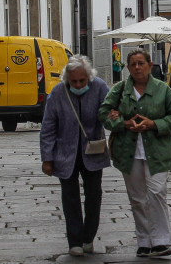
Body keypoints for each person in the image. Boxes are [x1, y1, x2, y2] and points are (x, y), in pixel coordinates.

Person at [98, 49, 171, 258]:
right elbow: (103, 113)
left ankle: (162, 241)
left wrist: (153, 124)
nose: (137, 68)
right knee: (137, 198)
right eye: (133, 64)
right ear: (128, 67)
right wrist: (122, 123)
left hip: (158, 152)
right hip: (129, 151)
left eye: (140, 63)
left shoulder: (163, 90)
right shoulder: (119, 90)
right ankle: (144, 241)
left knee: (156, 193)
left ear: (149, 64)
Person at [40, 55, 111, 257]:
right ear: (67, 79)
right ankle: (75, 241)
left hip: (93, 151)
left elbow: (109, 113)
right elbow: (48, 128)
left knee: (94, 196)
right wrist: (47, 158)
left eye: (82, 81)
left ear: (89, 77)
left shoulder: (99, 87)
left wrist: (113, 117)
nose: (78, 85)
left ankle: (88, 237)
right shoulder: (58, 93)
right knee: (70, 198)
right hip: (65, 153)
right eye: (74, 81)